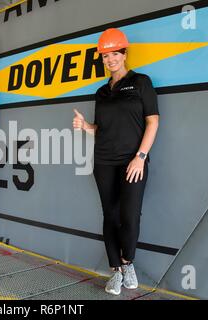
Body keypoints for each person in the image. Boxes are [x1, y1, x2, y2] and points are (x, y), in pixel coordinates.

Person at [73, 28, 159, 295]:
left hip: (133, 160)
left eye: (114, 54)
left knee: (130, 216)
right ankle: (116, 272)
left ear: (124, 54)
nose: (110, 59)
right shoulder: (101, 91)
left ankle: (127, 262)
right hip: (104, 161)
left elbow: (153, 121)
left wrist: (140, 157)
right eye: (105, 55)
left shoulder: (141, 82)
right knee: (109, 215)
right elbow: (103, 127)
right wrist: (87, 126)